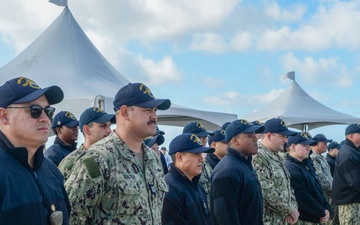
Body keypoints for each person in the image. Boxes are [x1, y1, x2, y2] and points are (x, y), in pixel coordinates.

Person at [64, 82, 171, 224]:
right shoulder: (98, 158)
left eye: (155, 110)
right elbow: (73, 217)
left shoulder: (153, 159)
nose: (154, 116)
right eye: (147, 110)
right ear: (125, 112)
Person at [0, 77, 70, 224]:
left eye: (48, 111)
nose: (45, 118)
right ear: (4, 116)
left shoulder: (52, 171)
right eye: (35, 111)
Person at [211, 119, 265, 225]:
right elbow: (224, 215)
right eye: (249, 136)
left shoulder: (244, 165)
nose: (255, 139)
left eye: (255, 134)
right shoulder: (228, 170)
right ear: (235, 141)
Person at [252, 118, 299, 225]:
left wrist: (293, 208)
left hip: (283, 219)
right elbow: (265, 190)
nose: (286, 140)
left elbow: (288, 187)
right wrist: (289, 209)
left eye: (286, 137)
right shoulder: (258, 155)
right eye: (282, 136)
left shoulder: (278, 157)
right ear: (269, 136)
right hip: (269, 220)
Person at [162, 133, 214, 225]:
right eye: (196, 154)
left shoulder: (197, 185)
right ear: (179, 157)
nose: (201, 159)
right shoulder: (169, 188)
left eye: (201, 154)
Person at [285, 132, 333, 224]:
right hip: (305, 219)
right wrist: (322, 212)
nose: (308, 148)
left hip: (315, 218)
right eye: (304, 145)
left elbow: (318, 189)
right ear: (293, 147)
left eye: (309, 145)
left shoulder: (306, 164)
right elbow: (303, 197)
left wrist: (327, 208)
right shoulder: (291, 168)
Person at [58, 107, 115, 181]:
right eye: (103, 126)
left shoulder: (112, 157)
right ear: (87, 130)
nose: (109, 131)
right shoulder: (71, 162)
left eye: (109, 126)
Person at [333, 124, 360, 225]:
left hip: (353, 201)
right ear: (351, 136)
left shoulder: (352, 151)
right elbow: (355, 181)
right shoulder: (348, 153)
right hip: (350, 203)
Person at [183, 121, 214, 207]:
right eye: (201, 137)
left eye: (205, 137)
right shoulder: (184, 167)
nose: (205, 140)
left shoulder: (205, 163)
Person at [310, 134, 333, 202]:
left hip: (328, 194)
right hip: (322, 194)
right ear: (317, 144)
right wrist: (332, 188)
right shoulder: (313, 157)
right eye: (324, 144)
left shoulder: (322, 157)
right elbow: (320, 176)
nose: (327, 146)